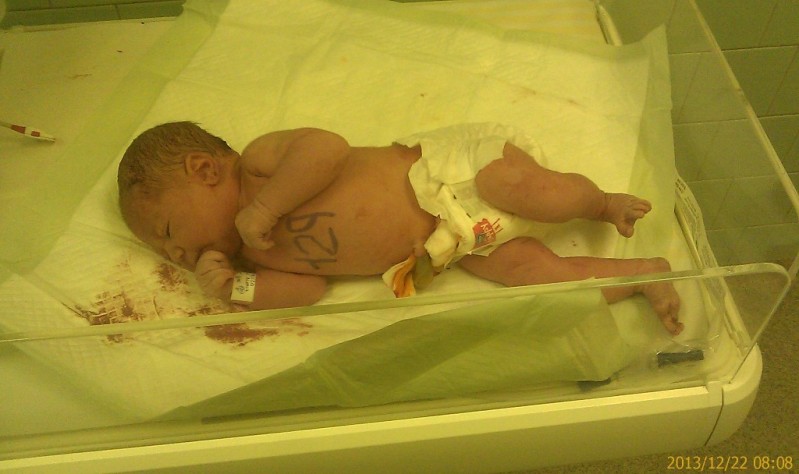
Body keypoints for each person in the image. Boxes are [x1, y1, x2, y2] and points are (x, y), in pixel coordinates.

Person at [118, 121, 683, 335]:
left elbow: (327, 149)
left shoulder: (261, 164)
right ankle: (643, 273)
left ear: (204, 170)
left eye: (166, 230)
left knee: (534, 193)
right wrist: (235, 288)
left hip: (450, 175)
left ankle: (602, 203)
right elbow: (308, 290)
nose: (175, 253)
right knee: (530, 273)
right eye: (163, 251)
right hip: (453, 243)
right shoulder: (255, 258)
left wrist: (264, 208)